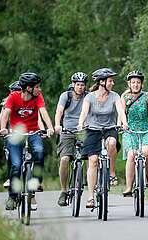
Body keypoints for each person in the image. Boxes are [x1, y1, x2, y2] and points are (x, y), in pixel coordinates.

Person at [0, 72, 54, 210]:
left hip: (33, 132)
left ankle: (37, 181)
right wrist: (2, 129)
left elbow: (43, 112)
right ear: (28, 88)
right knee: (16, 165)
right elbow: (5, 113)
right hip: (16, 134)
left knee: (40, 151)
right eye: (36, 87)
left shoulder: (38, 97)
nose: (39, 89)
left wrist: (50, 128)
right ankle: (12, 197)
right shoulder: (13, 97)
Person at [77, 67, 128, 208]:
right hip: (93, 130)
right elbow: (84, 113)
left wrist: (125, 123)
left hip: (109, 129)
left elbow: (120, 112)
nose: (112, 83)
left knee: (112, 143)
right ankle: (91, 197)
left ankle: (111, 172)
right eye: (110, 81)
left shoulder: (115, 96)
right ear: (102, 82)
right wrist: (80, 124)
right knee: (93, 161)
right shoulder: (90, 97)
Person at [0, 81, 44, 188]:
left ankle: (33, 177)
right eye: (14, 91)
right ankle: (10, 178)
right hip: (13, 132)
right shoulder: (9, 102)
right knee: (11, 155)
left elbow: (38, 119)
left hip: (28, 131)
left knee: (35, 151)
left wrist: (42, 130)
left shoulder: (30, 101)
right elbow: (2, 117)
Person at [120, 70, 148, 197]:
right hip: (129, 130)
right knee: (132, 154)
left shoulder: (147, 95)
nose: (136, 85)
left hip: (145, 128)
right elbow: (121, 113)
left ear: (142, 84)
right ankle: (128, 186)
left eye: (138, 82)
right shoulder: (124, 97)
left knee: (146, 151)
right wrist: (122, 125)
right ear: (129, 84)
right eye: (133, 82)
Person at [54, 72, 88, 206]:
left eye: (82, 85)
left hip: (83, 131)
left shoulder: (87, 97)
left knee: (91, 156)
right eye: (78, 84)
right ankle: (64, 191)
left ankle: (85, 178)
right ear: (73, 85)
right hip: (67, 130)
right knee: (65, 159)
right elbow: (59, 112)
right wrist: (57, 125)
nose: (80, 87)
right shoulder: (65, 96)